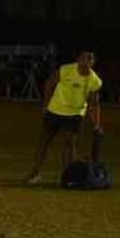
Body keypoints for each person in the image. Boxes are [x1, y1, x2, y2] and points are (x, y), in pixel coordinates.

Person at [24, 49, 103, 183]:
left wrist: (96, 124)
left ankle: (68, 176)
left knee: (69, 143)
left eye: (90, 59)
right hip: (55, 110)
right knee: (44, 141)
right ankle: (35, 172)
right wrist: (45, 105)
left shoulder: (94, 80)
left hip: (75, 114)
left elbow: (94, 104)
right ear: (78, 59)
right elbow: (49, 83)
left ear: (93, 62)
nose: (87, 61)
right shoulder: (66, 70)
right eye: (85, 58)